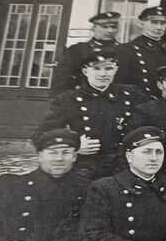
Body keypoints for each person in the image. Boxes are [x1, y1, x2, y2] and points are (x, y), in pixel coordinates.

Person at [36, 51, 147, 179]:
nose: (103, 74)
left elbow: (147, 125)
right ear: (85, 71)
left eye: (109, 68)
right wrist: (74, 145)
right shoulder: (68, 100)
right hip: (85, 168)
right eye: (96, 68)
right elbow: (42, 134)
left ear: (116, 70)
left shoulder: (132, 95)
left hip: (123, 167)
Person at [116, 5, 166, 99]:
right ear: (141, 24)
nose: (159, 27)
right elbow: (121, 84)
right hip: (140, 103)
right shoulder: (127, 50)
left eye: (163, 23)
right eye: (154, 22)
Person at [52, 11, 123, 92]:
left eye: (113, 27)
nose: (110, 31)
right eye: (105, 27)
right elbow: (62, 79)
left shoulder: (125, 51)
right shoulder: (77, 50)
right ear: (94, 28)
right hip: (83, 98)